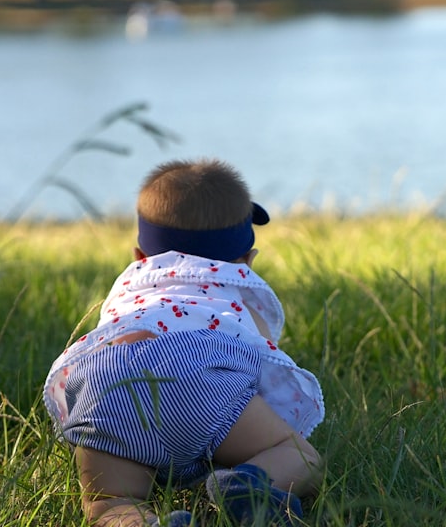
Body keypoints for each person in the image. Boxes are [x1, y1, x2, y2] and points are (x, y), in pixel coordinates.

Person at [43, 159, 324, 527]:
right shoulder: (239, 295)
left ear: (140, 258)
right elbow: (262, 376)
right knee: (300, 457)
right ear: (246, 262)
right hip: (196, 374)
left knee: (110, 503)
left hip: (108, 379)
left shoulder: (129, 290)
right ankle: (244, 485)